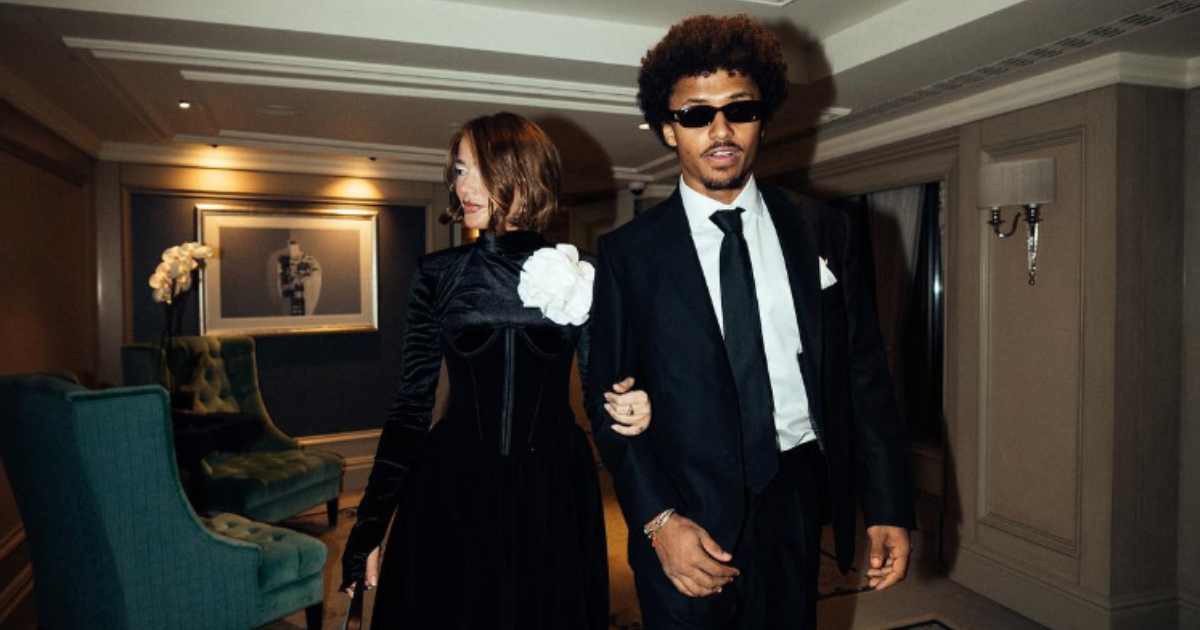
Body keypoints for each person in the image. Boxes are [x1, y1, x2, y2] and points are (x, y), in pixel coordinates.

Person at [585, 14, 916, 630]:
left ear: (763, 118)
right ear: (667, 127)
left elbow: (863, 376)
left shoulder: (825, 230)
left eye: (739, 109)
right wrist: (658, 520)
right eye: (695, 114)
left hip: (795, 495)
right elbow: (606, 403)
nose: (720, 130)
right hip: (683, 502)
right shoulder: (628, 255)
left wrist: (888, 504)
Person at [341, 111, 652, 629]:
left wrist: (656, 514)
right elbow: (410, 407)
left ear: (525, 174)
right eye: (459, 170)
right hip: (452, 483)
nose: (463, 186)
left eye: (478, 170)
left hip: (553, 488)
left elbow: (605, 405)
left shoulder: (585, 272)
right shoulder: (437, 275)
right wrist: (369, 527)